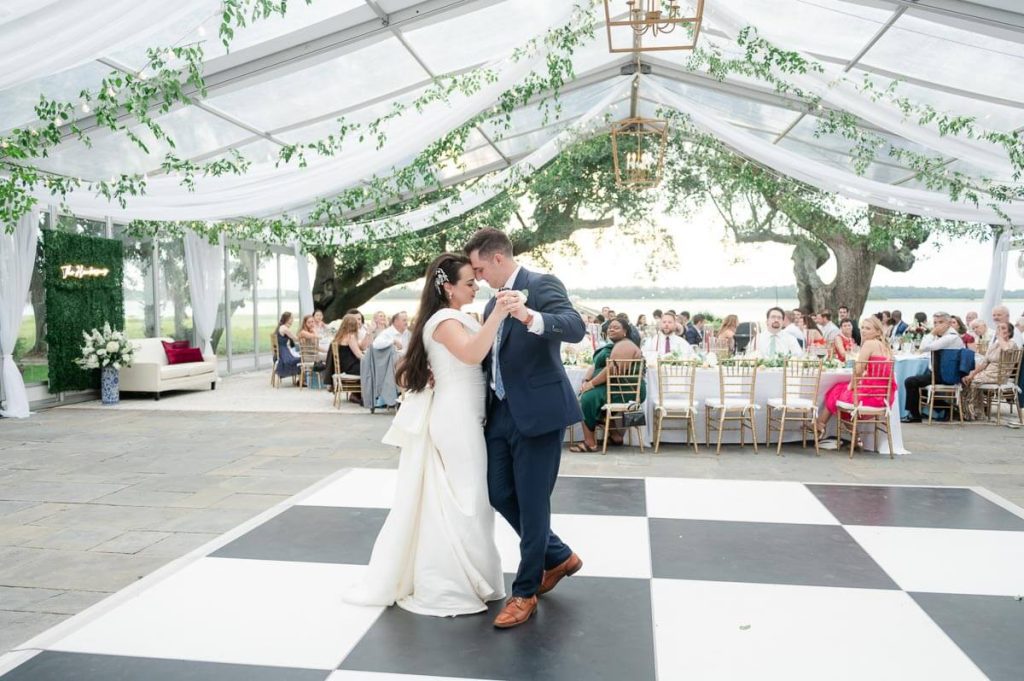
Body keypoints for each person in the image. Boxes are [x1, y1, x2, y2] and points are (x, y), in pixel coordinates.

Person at [344, 254, 508, 617]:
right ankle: (452, 581)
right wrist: (498, 315)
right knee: (467, 500)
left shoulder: (453, 318)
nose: (476, 286)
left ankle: (471, 575)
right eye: (469, 282)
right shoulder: (445, 320)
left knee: (468, 499)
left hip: (464, 414)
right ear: (448, 288)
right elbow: (470, 355)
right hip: (456, 419)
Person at [465, 228, 586, 629]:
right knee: (499, 493)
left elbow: (574, 326)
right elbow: (491, 359)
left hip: (538, 412)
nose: (478, 276)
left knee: (534, 503)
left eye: (480, 268)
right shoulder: (487, 307)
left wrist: (529, 316)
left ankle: (525, 591)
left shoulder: (541, 284)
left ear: (498, 259)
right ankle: (559, 555)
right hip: (499, 413)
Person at [571, 318, 646, 454]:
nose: (611, 329)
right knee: (590, 395)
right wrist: (586, 379)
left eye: (616, 327)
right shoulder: (613, 345)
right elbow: (595, 365)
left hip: (626, 389)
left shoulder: (625, 345)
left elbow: (612, 370)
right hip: (614, 387)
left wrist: (591, 384)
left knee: (587, 399)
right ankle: (615, 436)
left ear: (625, 332)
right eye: (610, 327)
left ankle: (590, 443)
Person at [815, 316, 895, 437]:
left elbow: (857, 371)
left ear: (878, 331)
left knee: (836, 391)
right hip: (883, 398)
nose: (863, 331)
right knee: (839, 392)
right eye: (862, 327)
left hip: (867, 398)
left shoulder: (869, 344)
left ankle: (820, 424)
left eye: (868, 328)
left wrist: (851, 386)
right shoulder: (886, 347)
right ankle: (855, 438)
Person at [903, 312, 964, 423]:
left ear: (949, 323)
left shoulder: (950, 338)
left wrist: (931, 333)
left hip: (946, 375)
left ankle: (915, 415)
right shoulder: (944, 336)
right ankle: (947, 408)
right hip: (940, 372)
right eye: (935, 323)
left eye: (941, 322)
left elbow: (923, 347)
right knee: (918, 385)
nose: (937, 325)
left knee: (910, 382)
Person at [962, 321, 1017, 420]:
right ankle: (973, 411)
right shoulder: (994, 345)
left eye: (1003, 328)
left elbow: (1006, 350)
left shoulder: (1011, 344)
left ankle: (972, 412)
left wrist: (999, 337)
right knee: (965, 378)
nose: (999, 330)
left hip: (1000, 374)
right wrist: (972, 374)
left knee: (974, 381)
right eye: (998, 328)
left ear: (1009, 332)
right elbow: (984, 363)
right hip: (988, 373)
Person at [275, 311, 301, 379]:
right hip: (284, 353)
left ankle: (301, 380)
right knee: (302, 358)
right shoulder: (285, 328)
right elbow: (296, 339)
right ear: (287, 319)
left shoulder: (281, 327)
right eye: (291, 318)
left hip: (281, 352)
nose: (293, 320)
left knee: (298, 356)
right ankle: (302, 380)